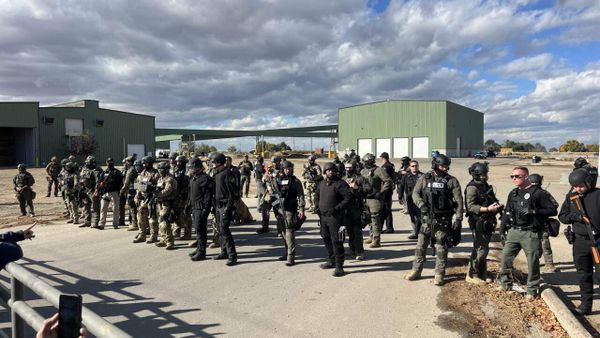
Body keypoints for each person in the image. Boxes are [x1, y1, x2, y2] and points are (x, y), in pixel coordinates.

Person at [498, 166, 558, 300]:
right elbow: (507, 212)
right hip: (514, 230)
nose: (514, 179)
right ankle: (505, 283)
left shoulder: (538, 193)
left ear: (526, 177)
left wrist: (534, 211)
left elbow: (553, 210)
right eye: (512, 176)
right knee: (506, 258)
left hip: (530, 233)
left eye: (517, 176)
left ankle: (532, 290)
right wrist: (502, 230)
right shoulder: (513, 193)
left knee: (532, 262)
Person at [404, 154, 463, 286]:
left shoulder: (451, 181)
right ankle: (416, 270)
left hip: (443, 218)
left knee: (441, 247)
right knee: (421, 245)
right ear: (435, 164)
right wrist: (422, 205)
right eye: (442, 165)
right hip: (426, 218)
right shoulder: (425, 178)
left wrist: (458, 219)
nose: (444, 168)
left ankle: (439, 274)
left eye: (446, 166)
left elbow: (459, 202)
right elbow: (415, 193)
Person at [559, 169, 600, 315]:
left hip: (597, 242)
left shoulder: (597, 195)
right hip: (580, 243)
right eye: (575, 186)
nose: (578, 189)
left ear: (589, 183)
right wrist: (574, 217)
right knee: (583, 274)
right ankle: (585, 306)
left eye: (581, 186)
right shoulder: (571, 197)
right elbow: (562, 217)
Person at [464, 162, 503, 284]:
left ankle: (482, 272)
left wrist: (497, 205)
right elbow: (470, 207)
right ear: (476, 175)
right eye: (482, 174)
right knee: (480, 249)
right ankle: (472, 274)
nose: (485, 176)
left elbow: (491, 199)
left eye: (486, 174)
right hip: (478, 222)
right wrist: (487, 209)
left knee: (484, 249)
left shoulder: (485, 185)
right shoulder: (472, 187)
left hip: (488, 221)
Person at [314, 162, 352, 277]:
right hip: (324, 217)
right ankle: (332, 261)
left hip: (336, 218)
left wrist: (336, 209)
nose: (330, 172)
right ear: (325, 172)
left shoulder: (340, 184)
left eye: (332, 170)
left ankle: (339, 267)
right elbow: (317, 194)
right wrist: (317, 206)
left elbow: (348, 198)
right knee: (326, 238)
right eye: (328, 170)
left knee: (337, 241)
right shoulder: (322, 183)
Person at [272, 160, 305, 266]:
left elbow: (300, 196)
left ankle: (291, 257)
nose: (289, 170)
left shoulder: (295, 181)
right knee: (282, 233)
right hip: (279, 209)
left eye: (290, 168)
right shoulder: (278, 180)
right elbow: (273, 193)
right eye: (286, 168)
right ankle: (287, 252)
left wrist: (301, 209)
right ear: (282, 169)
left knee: (289, 233)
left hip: (290, 210)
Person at [360, 153, 393, 248]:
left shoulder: (379, 170)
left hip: (375, 198)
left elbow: (388, 181)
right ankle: (371, 236)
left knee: (375, 219)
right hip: (365, 198)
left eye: (366, 162)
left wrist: (382, 192)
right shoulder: (363, 171)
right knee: (368, 219)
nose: (365, 163)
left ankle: (377, 240)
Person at [212, 152, 239, 266]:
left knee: (225, 230)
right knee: (220, 230)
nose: (212, 164)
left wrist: (229, 207)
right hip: (218, 206)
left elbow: (233, 193)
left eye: (213, 162)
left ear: (219, 163)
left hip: (225, 206)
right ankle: (224, 251)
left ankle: (232, 255)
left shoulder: (227, 174)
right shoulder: (217, 174)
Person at [529, 173, 559, 272]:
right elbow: (555, 205)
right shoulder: (544, 193)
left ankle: (539, 265)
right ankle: (549, 265)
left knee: (535, 245)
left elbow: (554, 206)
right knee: (544, 244)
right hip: (539, 223)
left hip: (535, 224)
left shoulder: (525, 193)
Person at [188, 156, 215, 261]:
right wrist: (188, 205)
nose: (190, 170)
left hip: (201, 208)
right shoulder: (193, 178)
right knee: (197, 230)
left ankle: (201, 252)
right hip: (194, 208)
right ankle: (199, 248)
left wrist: (205, 209)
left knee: (201, 230)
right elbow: (191, 194)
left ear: (198, 167)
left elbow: (208, 196)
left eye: (192, 168)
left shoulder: (205, 179)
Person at [342, 161, 366, 260]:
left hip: (357, 208)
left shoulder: (360, 178)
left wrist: (357, 188)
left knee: (357, 231)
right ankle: (352, 249)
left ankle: (359, 251)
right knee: (349, 230)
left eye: (350, 167)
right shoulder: (343, 179)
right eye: (346, 167)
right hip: (346, 208)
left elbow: (368, 190)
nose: (348, 169)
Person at [133, 156, 160, 243]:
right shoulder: (141, 174)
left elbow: (159, 187)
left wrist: (151, 188)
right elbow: (137, 187)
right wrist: (137, 197)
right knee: (140, 218)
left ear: (150, 163)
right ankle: (142, 235)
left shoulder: (156, 174)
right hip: (143, 199)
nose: (144, 165)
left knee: (152, 219)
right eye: (143, 163)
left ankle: (153, 236)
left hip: (152, 199)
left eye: (146, 163)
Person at [154, 162, 178, 250]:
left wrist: (156, 194)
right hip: (161, 203)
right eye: (159, 169)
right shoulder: (161, 179)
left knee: (165, 222)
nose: (160, 171)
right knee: (161, 222)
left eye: (161, 169)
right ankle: (163, 239)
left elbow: (167, 191)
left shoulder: (170, 179)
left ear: (166, 169)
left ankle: (170, 242)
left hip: (168, 203)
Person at [397, 160, 424, 239]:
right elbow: (401, 186)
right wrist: (400, 197)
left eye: (416, 166)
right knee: (412, 217)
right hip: (410, 200)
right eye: (412, 166)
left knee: (420, 217)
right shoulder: (406, 176)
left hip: (420, 200)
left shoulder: (423, 176)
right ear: (410, 167)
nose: (414, 167)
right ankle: (415, 231)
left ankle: (419, 233)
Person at [256, 156, 282, 234]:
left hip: (277, 196)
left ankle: (280, 230)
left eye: (275, 162)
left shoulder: (282, 170)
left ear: (278, 162)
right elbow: (263, 179)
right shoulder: (270, 170)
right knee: (265, 210)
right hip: (269, 195)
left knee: (278, 213)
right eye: (273, 162)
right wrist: (267, 173)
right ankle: (265, 227)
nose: (273, 164)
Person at [96, 158, 123, 230]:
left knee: (115, 208)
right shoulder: (104, 172)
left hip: (114, 192)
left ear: (113, 162)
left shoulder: (117, 172)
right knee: (103, 209)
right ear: (106, 163)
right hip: (105, 193)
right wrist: (98, 190)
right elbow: (99, 182)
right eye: (108, 162)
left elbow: (121, 183)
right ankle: (101, 224)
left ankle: (115, 224)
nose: (109, 163)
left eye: (111, 162)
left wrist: (118, 190)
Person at [172, 155, 192, 239]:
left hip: (186, 196)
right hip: (176, 196)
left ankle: (187, 234)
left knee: (186, 215)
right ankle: (176, 231)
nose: (178, 163)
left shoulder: (189, 171)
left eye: (180, 162)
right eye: (177, 162)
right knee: (176, 213)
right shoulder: (174, 170)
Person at [79, 156, 102, 228]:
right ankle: (87, 221)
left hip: (93, 190)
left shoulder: (96, 170)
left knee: (95, 207)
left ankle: (95, 222)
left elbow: (98, 181)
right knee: (86, 206)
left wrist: (96, 191)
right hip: (85, 190)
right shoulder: (84, 169)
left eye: (88, 162)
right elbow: (81, 178)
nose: (86, 163)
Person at [379, 152, 396, 234]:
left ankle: (389, 227)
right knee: (386, 208)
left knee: (386, 208)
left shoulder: (386, 167)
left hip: (386, 190)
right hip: (388, 190)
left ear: (383, 158)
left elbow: (384, 179)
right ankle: (388, 227)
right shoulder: (390, 165)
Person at [122, 159, 141, 232]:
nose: (125, 164)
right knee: (134, 207)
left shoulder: (131, 170)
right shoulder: (134, 169)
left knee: (132, 206)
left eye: (126, 162)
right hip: (135, 189)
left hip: (131, 190)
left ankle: (134, 224)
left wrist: (122, 191)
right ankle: (134, 222)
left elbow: (127, 182)